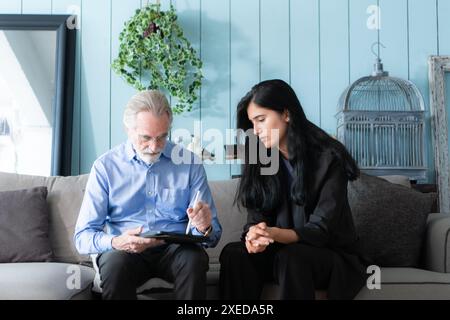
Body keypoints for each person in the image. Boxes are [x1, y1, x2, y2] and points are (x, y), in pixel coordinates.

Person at [219, 79, 367, 300]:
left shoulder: (329, 157)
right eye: (253, 123)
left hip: (329, 255)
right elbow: (256, 216)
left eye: (261, 120)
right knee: (234, 254)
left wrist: (274, 233)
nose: (256, 130)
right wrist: (255, 235)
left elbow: (320, 230)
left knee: (293, 257)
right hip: (282, 251)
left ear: (286, 114)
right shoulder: (262, 159)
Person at [74, 90, 222, 300]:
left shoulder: (189, 164)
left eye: (162, 137)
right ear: (128, 129)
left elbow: (213, 235)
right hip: (126, 251)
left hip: (176, 249)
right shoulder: (105, 167)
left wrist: (204, 226)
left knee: (194, 259)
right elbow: (82, 237)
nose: (154, 147)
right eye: (146, 138)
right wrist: (116, 242)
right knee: (114, 265)